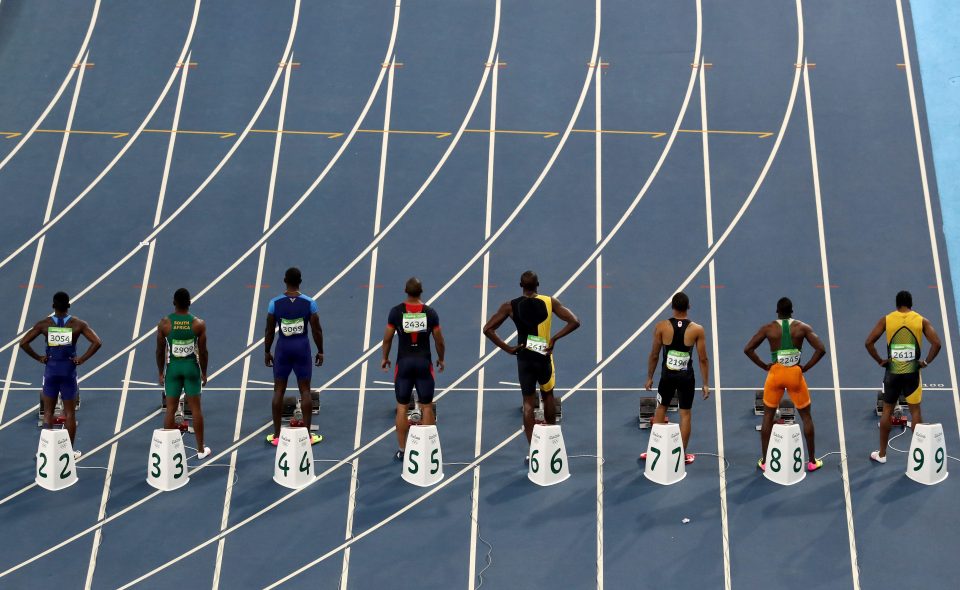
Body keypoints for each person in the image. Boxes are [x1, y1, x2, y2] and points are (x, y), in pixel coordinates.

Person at [483, 271, 580, 451]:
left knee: (528, 403)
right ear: (538, 285)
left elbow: (488, 329)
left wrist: (508, 348)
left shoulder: (510, 306)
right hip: (543, 356)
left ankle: (533, 449)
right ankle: (551, 443)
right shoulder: (550, 302)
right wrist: (554, 339)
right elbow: (574, 321)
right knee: (548, 395)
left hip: (524, 358)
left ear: (521, 285)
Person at [744, 297, 826, 472]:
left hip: (775, 374)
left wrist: (764, 365)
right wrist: (806, 368)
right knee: (806, 417)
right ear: (792, 311)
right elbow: (821, 349)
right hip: (795, 375)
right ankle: (812, 461)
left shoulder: (768, 329)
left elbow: (748, 349)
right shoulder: (803, 328)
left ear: (777, 311)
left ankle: (765, 462)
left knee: (767, 417)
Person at [20, 291, 101, 457]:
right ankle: (69, 452)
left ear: (53, 306)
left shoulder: (44, 324)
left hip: (51, 370)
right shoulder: (78, 324)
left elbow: (23, 343)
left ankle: (44, 451)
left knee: (48, 413)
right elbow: (97, 342)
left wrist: (39, 358)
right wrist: (82, 359)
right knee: (70, 413)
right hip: (68, 371)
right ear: (68, 306)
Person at [865, 290, 941, 463]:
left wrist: (880, 361)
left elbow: (868, 342)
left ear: (897, 304)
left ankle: (882, 454)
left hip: (892, 373)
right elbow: (937, 343)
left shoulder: (887, 319)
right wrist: (925, 362)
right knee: (915, 412)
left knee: (887, 411)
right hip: (913, 373)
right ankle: (918, 456)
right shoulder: (921, 320)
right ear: (911, 303)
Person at [641, 292, 710, 465]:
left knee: (661, 409)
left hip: (667, 376)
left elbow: (654, 355)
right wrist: (706, 383)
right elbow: (703, 359)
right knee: (685, 414)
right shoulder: (697, 329)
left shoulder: (661, 327)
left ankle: (653, 451)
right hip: (686, 378)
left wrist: (649, 377)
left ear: (672, 307)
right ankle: (681, 454)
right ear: (689, 307)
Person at [381, 278, 445, 461]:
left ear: (405, 290)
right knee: (426, 407)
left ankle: (402, 450)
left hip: (404, 364)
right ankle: (427, 449)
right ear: (421, 291)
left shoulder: (396, 312)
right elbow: (439, 340)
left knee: (401, 408)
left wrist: (385, 358)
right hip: (424, 364)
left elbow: (387, 339)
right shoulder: (430, 313)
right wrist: (441, 358)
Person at [264, 267, 323, 446]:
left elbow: (269, 330)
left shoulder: (274, 303)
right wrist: (321, 350)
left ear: (284, 280)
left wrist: (267, 351)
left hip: (283, 348)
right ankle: (307, 435)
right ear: (300, 281)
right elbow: (316, 329)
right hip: (301, 348)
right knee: (305, 390)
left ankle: (276, 436)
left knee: (278, 391)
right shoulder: (309, 303)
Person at [156, 288, 210, 459]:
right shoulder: (198, 324)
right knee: (196, 410)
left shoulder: (164, 323)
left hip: (173, 370)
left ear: (174, 303)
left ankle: (167, 451)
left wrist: (160, 372)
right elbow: (203, 351)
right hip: (191, 368)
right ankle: (201, 450)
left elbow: (159, 351)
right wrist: (204, 373)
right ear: (189, 303)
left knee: (170, 410)